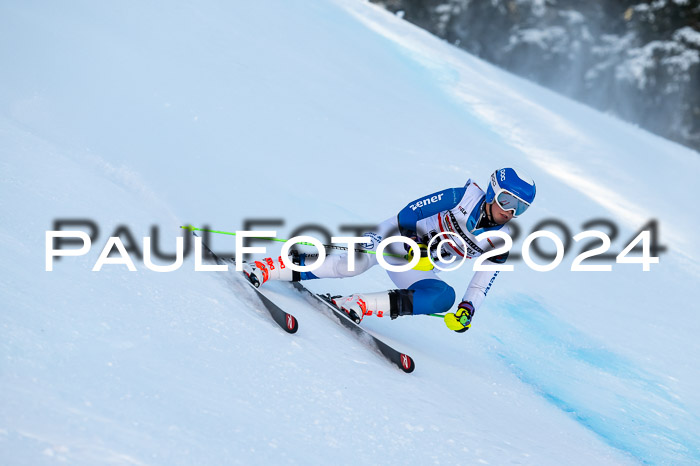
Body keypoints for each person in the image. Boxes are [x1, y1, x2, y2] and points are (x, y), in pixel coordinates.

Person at [243, 167, 536, 332]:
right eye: (507, 201)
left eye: (520, 208)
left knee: (443, 297)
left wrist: (467, 309)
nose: (511, 212)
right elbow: (408, 212)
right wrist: (414, 243)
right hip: (395, 236)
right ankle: (269, 267)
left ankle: (357, 304)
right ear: (491, 191)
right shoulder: (462, 197)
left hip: (417, 264)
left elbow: (481, 284)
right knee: (351, 266)